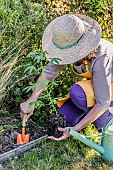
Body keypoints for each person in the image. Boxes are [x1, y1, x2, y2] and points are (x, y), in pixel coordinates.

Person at [20, 14, 113, 141]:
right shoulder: (66, 45)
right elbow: (48, 74)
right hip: (99, 87)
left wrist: (76, 129)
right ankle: (87, 119)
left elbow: (103, 103)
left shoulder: (102, 58)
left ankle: (108, 127)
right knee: (63, 121)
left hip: (108, 90)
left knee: (77, 92)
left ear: (82, 48)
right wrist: (31, 102)